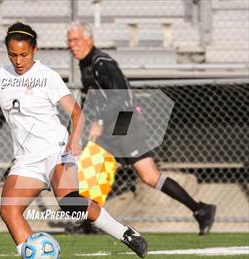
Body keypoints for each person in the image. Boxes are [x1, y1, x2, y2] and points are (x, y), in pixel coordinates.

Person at [0, 22, 148, 259]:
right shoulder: (0, 77)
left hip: (55, 149)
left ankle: (125, 233)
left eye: (24, 54)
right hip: (27, 159)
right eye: (13, 54)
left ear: (34, 50)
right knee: (9, 212)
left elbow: (76, 113)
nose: (18, 60)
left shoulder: (47, 76)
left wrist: (74, 140)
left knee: (69, 203)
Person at [67, 22, 216, 235]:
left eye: (76, 40)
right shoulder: (87, 63)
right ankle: (86, 223)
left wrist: (99, 122)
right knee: (93, 166)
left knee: (147, 176)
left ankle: (200, 209)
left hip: (124, 122)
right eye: (69, 41)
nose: (72, 45)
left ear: (89, 40)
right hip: (114, 123)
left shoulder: (102, 62)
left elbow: (122, 97)